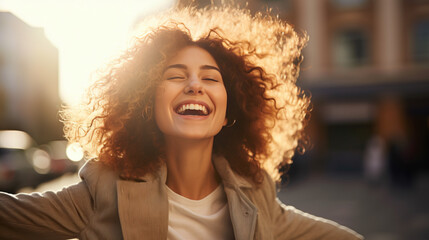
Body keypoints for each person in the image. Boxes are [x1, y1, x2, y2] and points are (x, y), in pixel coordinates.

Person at [0, 6, 363, 240]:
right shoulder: (105, 189)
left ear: (229, 112)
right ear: (146, 104)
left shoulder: (256, 193)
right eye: (176, 76)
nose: (194, 85)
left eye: (210, 77)